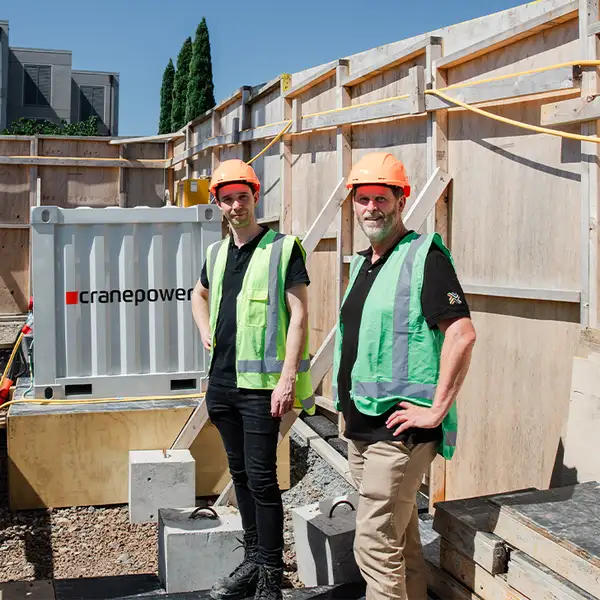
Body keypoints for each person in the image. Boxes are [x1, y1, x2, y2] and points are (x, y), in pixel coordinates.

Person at [332, 152, 477, 600]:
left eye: (381, 197)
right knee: (401, 541)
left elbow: (462, 335)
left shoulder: (423, 257)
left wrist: (436, 411)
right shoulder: (364, 265)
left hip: (399, 433)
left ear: (401, 200)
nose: (371, 207)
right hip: (362, 428)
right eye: (363, 198)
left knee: (374, 544)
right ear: (353, 204)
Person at [191, 159, 315, 600]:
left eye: (242, 196)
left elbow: (299, 316)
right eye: (227, 198)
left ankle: (269, 574)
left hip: (263, 390)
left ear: (255, 196)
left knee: (263, 479)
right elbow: (199, 295)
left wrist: (286, 381)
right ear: (218, 203)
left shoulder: (284, 249)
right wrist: (205, 329)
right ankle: (252, 559)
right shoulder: (216, 253)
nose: (236, 205)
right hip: (222, 384)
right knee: (240, 474)